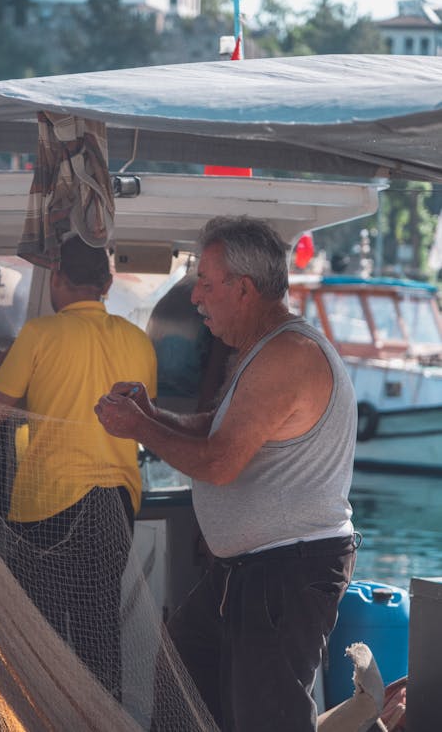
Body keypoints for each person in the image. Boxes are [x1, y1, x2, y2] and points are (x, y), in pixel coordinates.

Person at [94, 215, 358, 731]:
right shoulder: (262, 348)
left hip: (287, 570)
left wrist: (139, 430)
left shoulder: (288, 354)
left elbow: (218, 463)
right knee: (181, 690)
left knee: (266, 718)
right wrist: (151, 414)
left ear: (243, 289)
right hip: (243, 571)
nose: (196, 298)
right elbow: (214, 428)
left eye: (206, 285)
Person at [0, 234, 157, 698]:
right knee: (98, 627)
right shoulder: (139, 341)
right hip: (119, 504)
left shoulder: (40, 334)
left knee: (41, 629)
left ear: (57, 278)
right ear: (108, 282)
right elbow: (148, 419)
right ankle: (103, 720)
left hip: (50, 503)